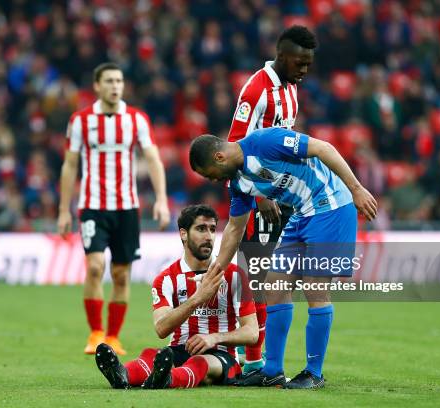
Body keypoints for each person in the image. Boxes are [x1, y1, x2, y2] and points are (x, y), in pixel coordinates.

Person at [188, 128, 377, 388]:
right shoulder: (239, 183)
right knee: (274, 286)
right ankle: (273, 369)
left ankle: (314, 373)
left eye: (209, 174)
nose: (211, 180)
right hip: (302, 214)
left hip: (331, 206)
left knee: (315, 289)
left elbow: (324, 149)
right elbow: (234, 228)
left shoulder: (266, 141)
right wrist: (215, 271)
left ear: (219, 157)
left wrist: (356, 189)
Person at [58, 62, 170, 356]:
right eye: (109, 81)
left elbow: (154, 159)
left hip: (127, 208)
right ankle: (95, 334)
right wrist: (63, 209)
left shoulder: (136, 119)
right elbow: (70, 165)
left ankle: (113, 336)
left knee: (121, 274)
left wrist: (161, 199)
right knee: (95, 268)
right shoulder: (81, 120)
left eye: (119, 81)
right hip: (93, 207)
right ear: (97, 85)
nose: (115, 86)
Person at [227, 25, 317, 374]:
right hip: (255, 197)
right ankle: (251, 361)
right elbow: (233, 148)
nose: (304, 70)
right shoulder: (256, 91)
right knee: (256, 278)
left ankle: (251, 358)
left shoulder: (292, 88)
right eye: (299, 63)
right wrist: (262, 191)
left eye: (309, 64)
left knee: (269, 278)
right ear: (281, 57)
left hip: (281, 196)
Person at [94, 205, 258, 389]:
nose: (209, 237)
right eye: (201, 229)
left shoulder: (234, 275)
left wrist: (214, 338)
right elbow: (161, 328)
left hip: (220, 355)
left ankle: (168, 379)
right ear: (183, 234)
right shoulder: (166, 279)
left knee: (199, 363)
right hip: (179, 350)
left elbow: (252, 333)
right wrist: (198, 298)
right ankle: (122, 374)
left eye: (212, 229)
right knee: (150, 355)